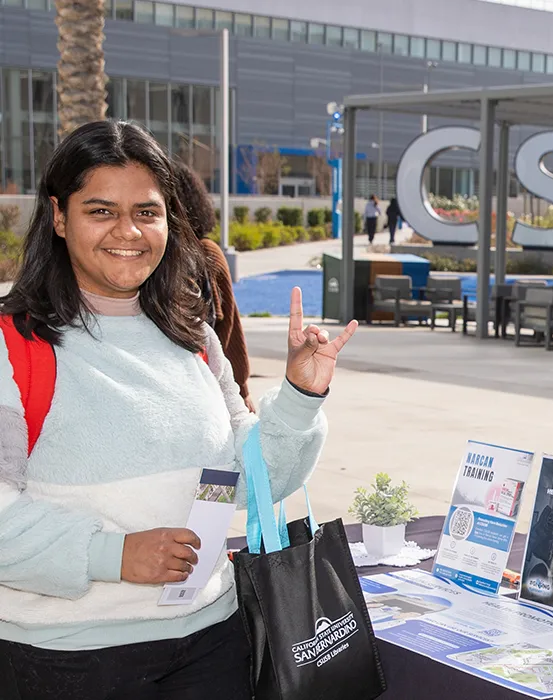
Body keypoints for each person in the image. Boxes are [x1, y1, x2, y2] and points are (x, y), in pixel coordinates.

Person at [0, 120, 358, 699]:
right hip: (69, 658)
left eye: (147, 212)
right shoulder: (14, 344)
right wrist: (112, 555)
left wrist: (299, 396)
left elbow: (244, 483)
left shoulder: (191, 336)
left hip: (211, 641)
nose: (128, 231)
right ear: (59, 217)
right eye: (100, 211)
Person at [171, 158, 253, 410]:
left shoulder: (205, 252)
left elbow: (227, 322)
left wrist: (240, 388)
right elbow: (229, 322)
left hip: (206, 384)